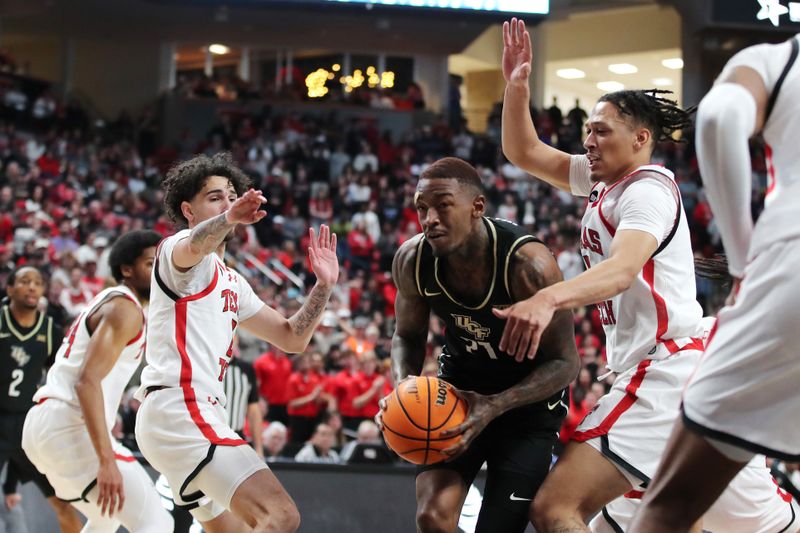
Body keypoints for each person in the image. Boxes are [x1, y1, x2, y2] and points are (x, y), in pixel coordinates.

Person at [501, 18, 798, 532]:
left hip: (665, 370)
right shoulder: (604, 179)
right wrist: (516, 87)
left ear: (640, 138)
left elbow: (620, 271)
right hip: (673, 370)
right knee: (741, 524)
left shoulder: (646, 190)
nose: (588, 140)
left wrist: (549, 299)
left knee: (557, 509)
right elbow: (524, 152)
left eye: (601, 131)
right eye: (587, 131)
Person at [631, 33, 800, 532]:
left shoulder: (776, 59)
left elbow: (722, 118)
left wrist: (745, 263)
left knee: (669, 507)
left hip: (790, 269)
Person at [135, 152, 339, 532]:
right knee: (280, 516)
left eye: (231, 195)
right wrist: (228, 217)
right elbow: (195, 245)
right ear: (188, 210)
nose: (228, 202)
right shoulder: (176, 251)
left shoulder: (234, 282)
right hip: (180, 407)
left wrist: (323, 287)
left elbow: (291, 338)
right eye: (215, 197)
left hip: (189, 414)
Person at [378, 156, 580, 533]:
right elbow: (406, 335)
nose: (429, 219)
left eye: (442, 205)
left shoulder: (528, 265)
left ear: (477, 207)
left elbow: (566, 363)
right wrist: (402, 388)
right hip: (457, 395)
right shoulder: (412, 259)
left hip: (526, 410)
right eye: (422, 208)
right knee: (432, 517)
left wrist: (495, 406)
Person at [22, 231, 174, 532]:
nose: (159, 270)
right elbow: (86, 382)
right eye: (150, 262)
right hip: (68, 423)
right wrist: (106, 461)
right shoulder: (126, 309)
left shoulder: (112, 302)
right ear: (126, 270)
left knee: (107, 516)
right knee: (157, 524)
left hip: (44, 425)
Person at [0, 266, 83, 533]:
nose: (33, 287)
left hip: (28, 425)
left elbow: (61, 378)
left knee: (63, 502)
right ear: (10, 289)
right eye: (25, 281)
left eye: (37, 282)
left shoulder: (51, 331)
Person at [222, 353, 263, 458]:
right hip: (207, 438)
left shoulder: (246, 369)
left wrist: (258, 448)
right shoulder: (206, 365)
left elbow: (254, 410)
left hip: (236, 437)